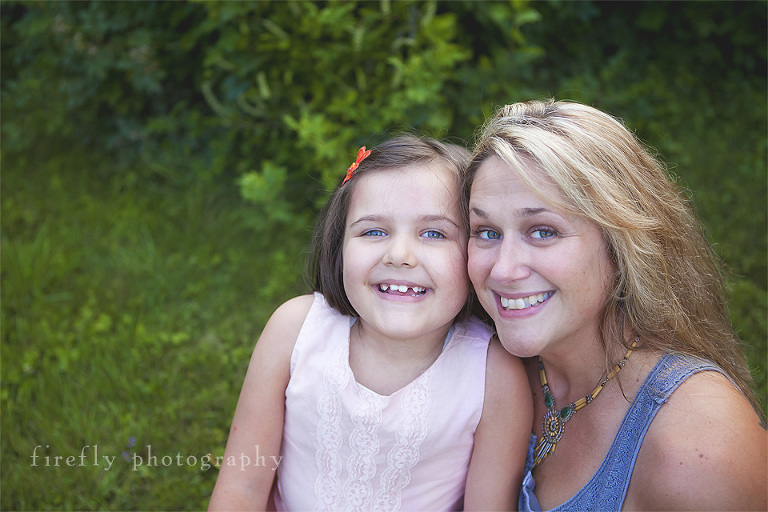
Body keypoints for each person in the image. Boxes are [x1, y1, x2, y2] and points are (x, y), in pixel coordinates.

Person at [462, 99, 767, 511]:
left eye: (543, 231)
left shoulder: (698, 449)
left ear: (620, 244)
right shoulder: (478, 367)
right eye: (486, 232)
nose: (503, 269)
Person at [209, 135, 532, 511]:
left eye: (434, 233)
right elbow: (242, 489)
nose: (399, 255)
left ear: (475, 253)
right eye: (374, 231)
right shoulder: (295, 330)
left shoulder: (492, 374)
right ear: (339, 245)